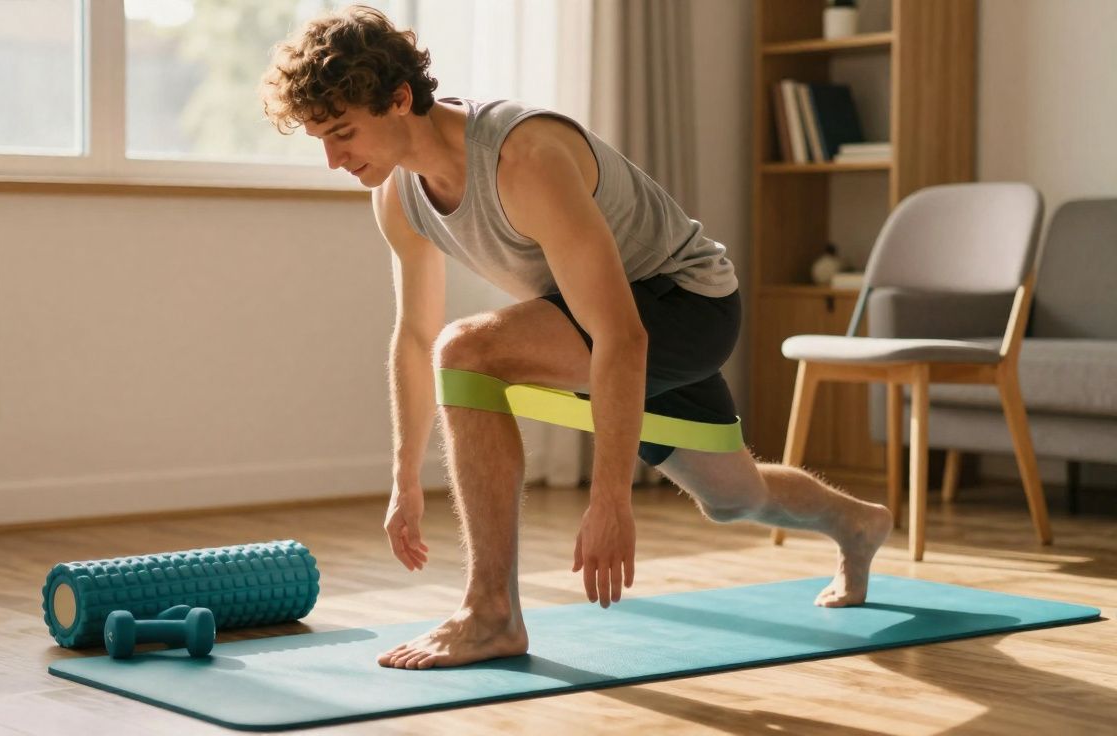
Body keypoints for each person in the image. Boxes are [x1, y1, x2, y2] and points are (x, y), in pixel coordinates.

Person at [260, 5, 892, 671]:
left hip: (687, 304)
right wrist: (404, 479)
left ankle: (491, 613)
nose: (333, 160)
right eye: (319, 140)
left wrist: (610, 501)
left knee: (469, 350)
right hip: (598, 314)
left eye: (342, 134)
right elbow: (413, 334)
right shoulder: (397, 195)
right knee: (733, 498)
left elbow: (621, 335)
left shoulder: (522, 158)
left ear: (398, 99)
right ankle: (857, 523)